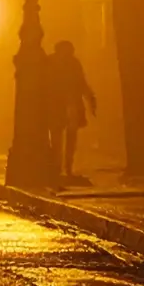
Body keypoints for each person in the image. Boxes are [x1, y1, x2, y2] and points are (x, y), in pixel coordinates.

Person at [45, 40, 97, 182]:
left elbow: (81, 82)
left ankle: (64, 167)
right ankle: (60, 167)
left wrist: (90, 98)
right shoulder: (58, 63)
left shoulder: (67, 63)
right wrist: (90, 99)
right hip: (60, 105)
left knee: (64, 138)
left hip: (68, 105)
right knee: (60, 138)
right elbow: (81, 82)